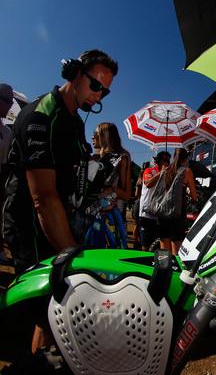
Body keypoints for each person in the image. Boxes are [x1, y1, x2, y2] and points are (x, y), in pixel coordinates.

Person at [2, 49, 117, 356]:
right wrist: (74, 256)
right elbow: (43, 198)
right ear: (75, 74)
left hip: (57, 219)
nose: (100, 95)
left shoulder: (74, 120)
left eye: (105, 91)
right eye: (96, 85)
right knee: (49, 308)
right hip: (31, 224)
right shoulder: (41, 116)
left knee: (56, 311)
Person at [157, 148, 197, 255]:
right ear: (186, 159)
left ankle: (163, 266)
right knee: (176, 253)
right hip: (177, 214)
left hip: (163, 212)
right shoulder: (186, 171)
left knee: (164, 253)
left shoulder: (166, 170)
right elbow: (194, 196)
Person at [138, 151, 170, 251]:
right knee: (146, 244)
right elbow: (148, 184)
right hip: (146, 212)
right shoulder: (149, 170)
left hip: (158, 213)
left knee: (156, 244)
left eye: (168, 160)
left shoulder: (166, 174)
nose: (167, 162)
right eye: (165, 160)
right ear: (158, 161)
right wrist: (161, 173)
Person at [0, 83, 14, 262]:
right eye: (6, 100)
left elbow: (5, 164)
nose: (9, 105)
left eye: (11, 102)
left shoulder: (7, 132)